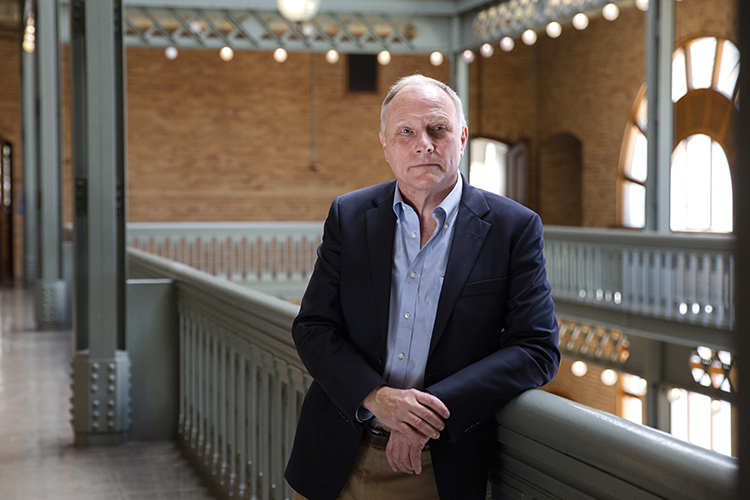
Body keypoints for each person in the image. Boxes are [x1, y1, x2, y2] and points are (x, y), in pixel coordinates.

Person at [285, 74, 560, 500]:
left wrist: (425, 415)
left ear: (462, 137)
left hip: (437, 464)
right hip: (335, 453)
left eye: (438, 129)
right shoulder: (349, 216)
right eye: (406, 132)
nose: (423, 144)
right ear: (385, 144)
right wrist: (376, 397)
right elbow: (313, 327)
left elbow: (536, 348)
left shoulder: (514, 228)